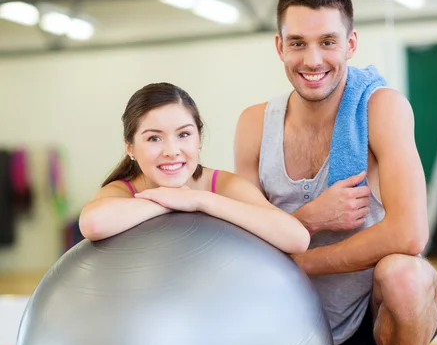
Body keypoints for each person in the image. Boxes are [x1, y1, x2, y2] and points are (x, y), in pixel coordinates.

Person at [234, 0, 437, 345]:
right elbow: (242, 238)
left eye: (328, 42)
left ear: (350, 44)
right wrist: (310, 218)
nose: (313, 59)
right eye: (299, 43)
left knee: (405, 273)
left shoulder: (381, 108)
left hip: (367, 316)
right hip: (291, 326)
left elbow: (411, 234)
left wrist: (300, 259)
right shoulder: (252, 125)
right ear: (279, 46)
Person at [79, 82, 310, 258]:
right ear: (130, 147)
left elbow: (296, 239)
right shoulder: (123, 190)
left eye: (184, 134)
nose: (171, 150)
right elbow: (93, 224)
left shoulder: (223, 185)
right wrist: (168, 200)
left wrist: (200, 201)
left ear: (199, 138)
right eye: (154, 138)